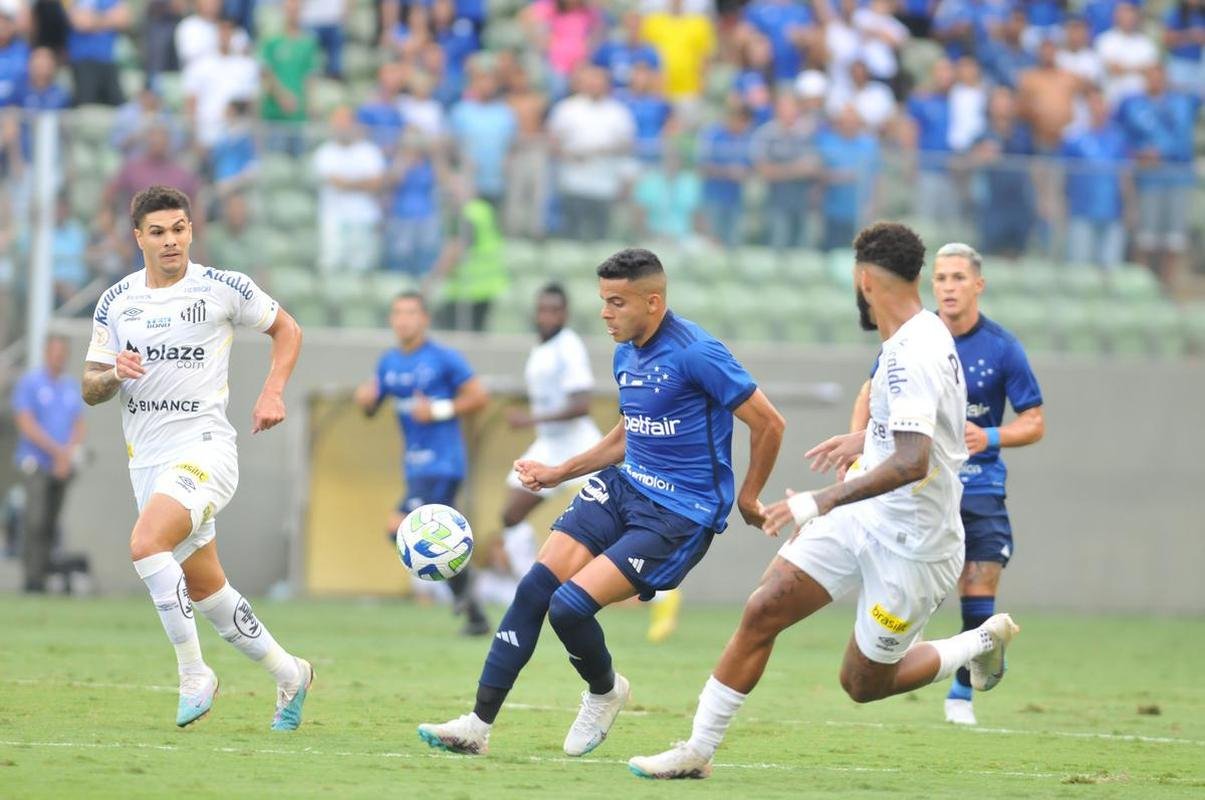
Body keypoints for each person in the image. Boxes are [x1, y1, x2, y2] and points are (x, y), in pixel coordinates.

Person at [629, 223, 1019, 780]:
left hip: (916, 544)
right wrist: (868, 439)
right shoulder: (919, 333)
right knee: (763, 610)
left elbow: (914, 462)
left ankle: (978, 640)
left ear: (864, 281)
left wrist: (819, 502)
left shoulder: (913, 352)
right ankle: (697, 750)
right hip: (863, 514)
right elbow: (926, 431)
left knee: (863, 684)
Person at [418, 247, 786, 757]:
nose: (605, 313)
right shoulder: (624, 351)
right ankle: (476, 726)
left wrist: (748, 495)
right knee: (534, 590)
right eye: (603, 301)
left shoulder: (697, 353)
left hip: (679, 513)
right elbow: (627, 433)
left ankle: (605, 690)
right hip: (623, 486)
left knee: (569, 608)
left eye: (617, 302)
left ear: (653, 302)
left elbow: (769, 422)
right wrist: (558, 472)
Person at [81, 185, 312, 730]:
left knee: (145, 543)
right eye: (158, 232)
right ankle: (291, 672)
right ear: (137, 237)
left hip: (206, 450)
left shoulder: (221, 288)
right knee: (207, 589)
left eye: (179, 229)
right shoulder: (117, 302)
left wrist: (272, 390)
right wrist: (115, 372)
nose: (171, 241)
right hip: (148, 463)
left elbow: (288, 329)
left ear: (191, 230)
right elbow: (90, 386)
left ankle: (193, 674)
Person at [846, 241, 1044, 726]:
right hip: (913, 491)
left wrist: (992, 434)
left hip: (978, 484)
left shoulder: (1001, 347)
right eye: (941, 278)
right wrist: (857, 446)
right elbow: (870, 392)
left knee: (979, 582)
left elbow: (1034, 421)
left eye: (959, 278)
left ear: (978, 285)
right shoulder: (916, 337)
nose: (949, 287)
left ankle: (961, 694)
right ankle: (918, 647)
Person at [353, 291, 492, 636]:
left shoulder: (444, 359)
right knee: (417, 534)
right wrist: (366, 401)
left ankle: (463, 580)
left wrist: (439, 409)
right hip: (415, 466)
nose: (403, 319)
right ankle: (470, 602)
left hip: (443, 463)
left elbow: (479, 397)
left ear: (425, 319)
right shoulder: (388, 363)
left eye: (411, 313)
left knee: (399, 527)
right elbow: (371, 407)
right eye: (398, 313)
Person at [12, 334, 85, 593]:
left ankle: (44, 575)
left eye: (62, 352)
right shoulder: (31, 383)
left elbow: (78, 424)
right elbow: (25, 423)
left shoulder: (70, 386)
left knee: (52, 522)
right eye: (54, 351)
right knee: (35, 520)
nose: (59, 357)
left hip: (62, 465)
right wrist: (57, 452)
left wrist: (67, 454)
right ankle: (31, 579)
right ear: (46, 353)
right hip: (37, 463)